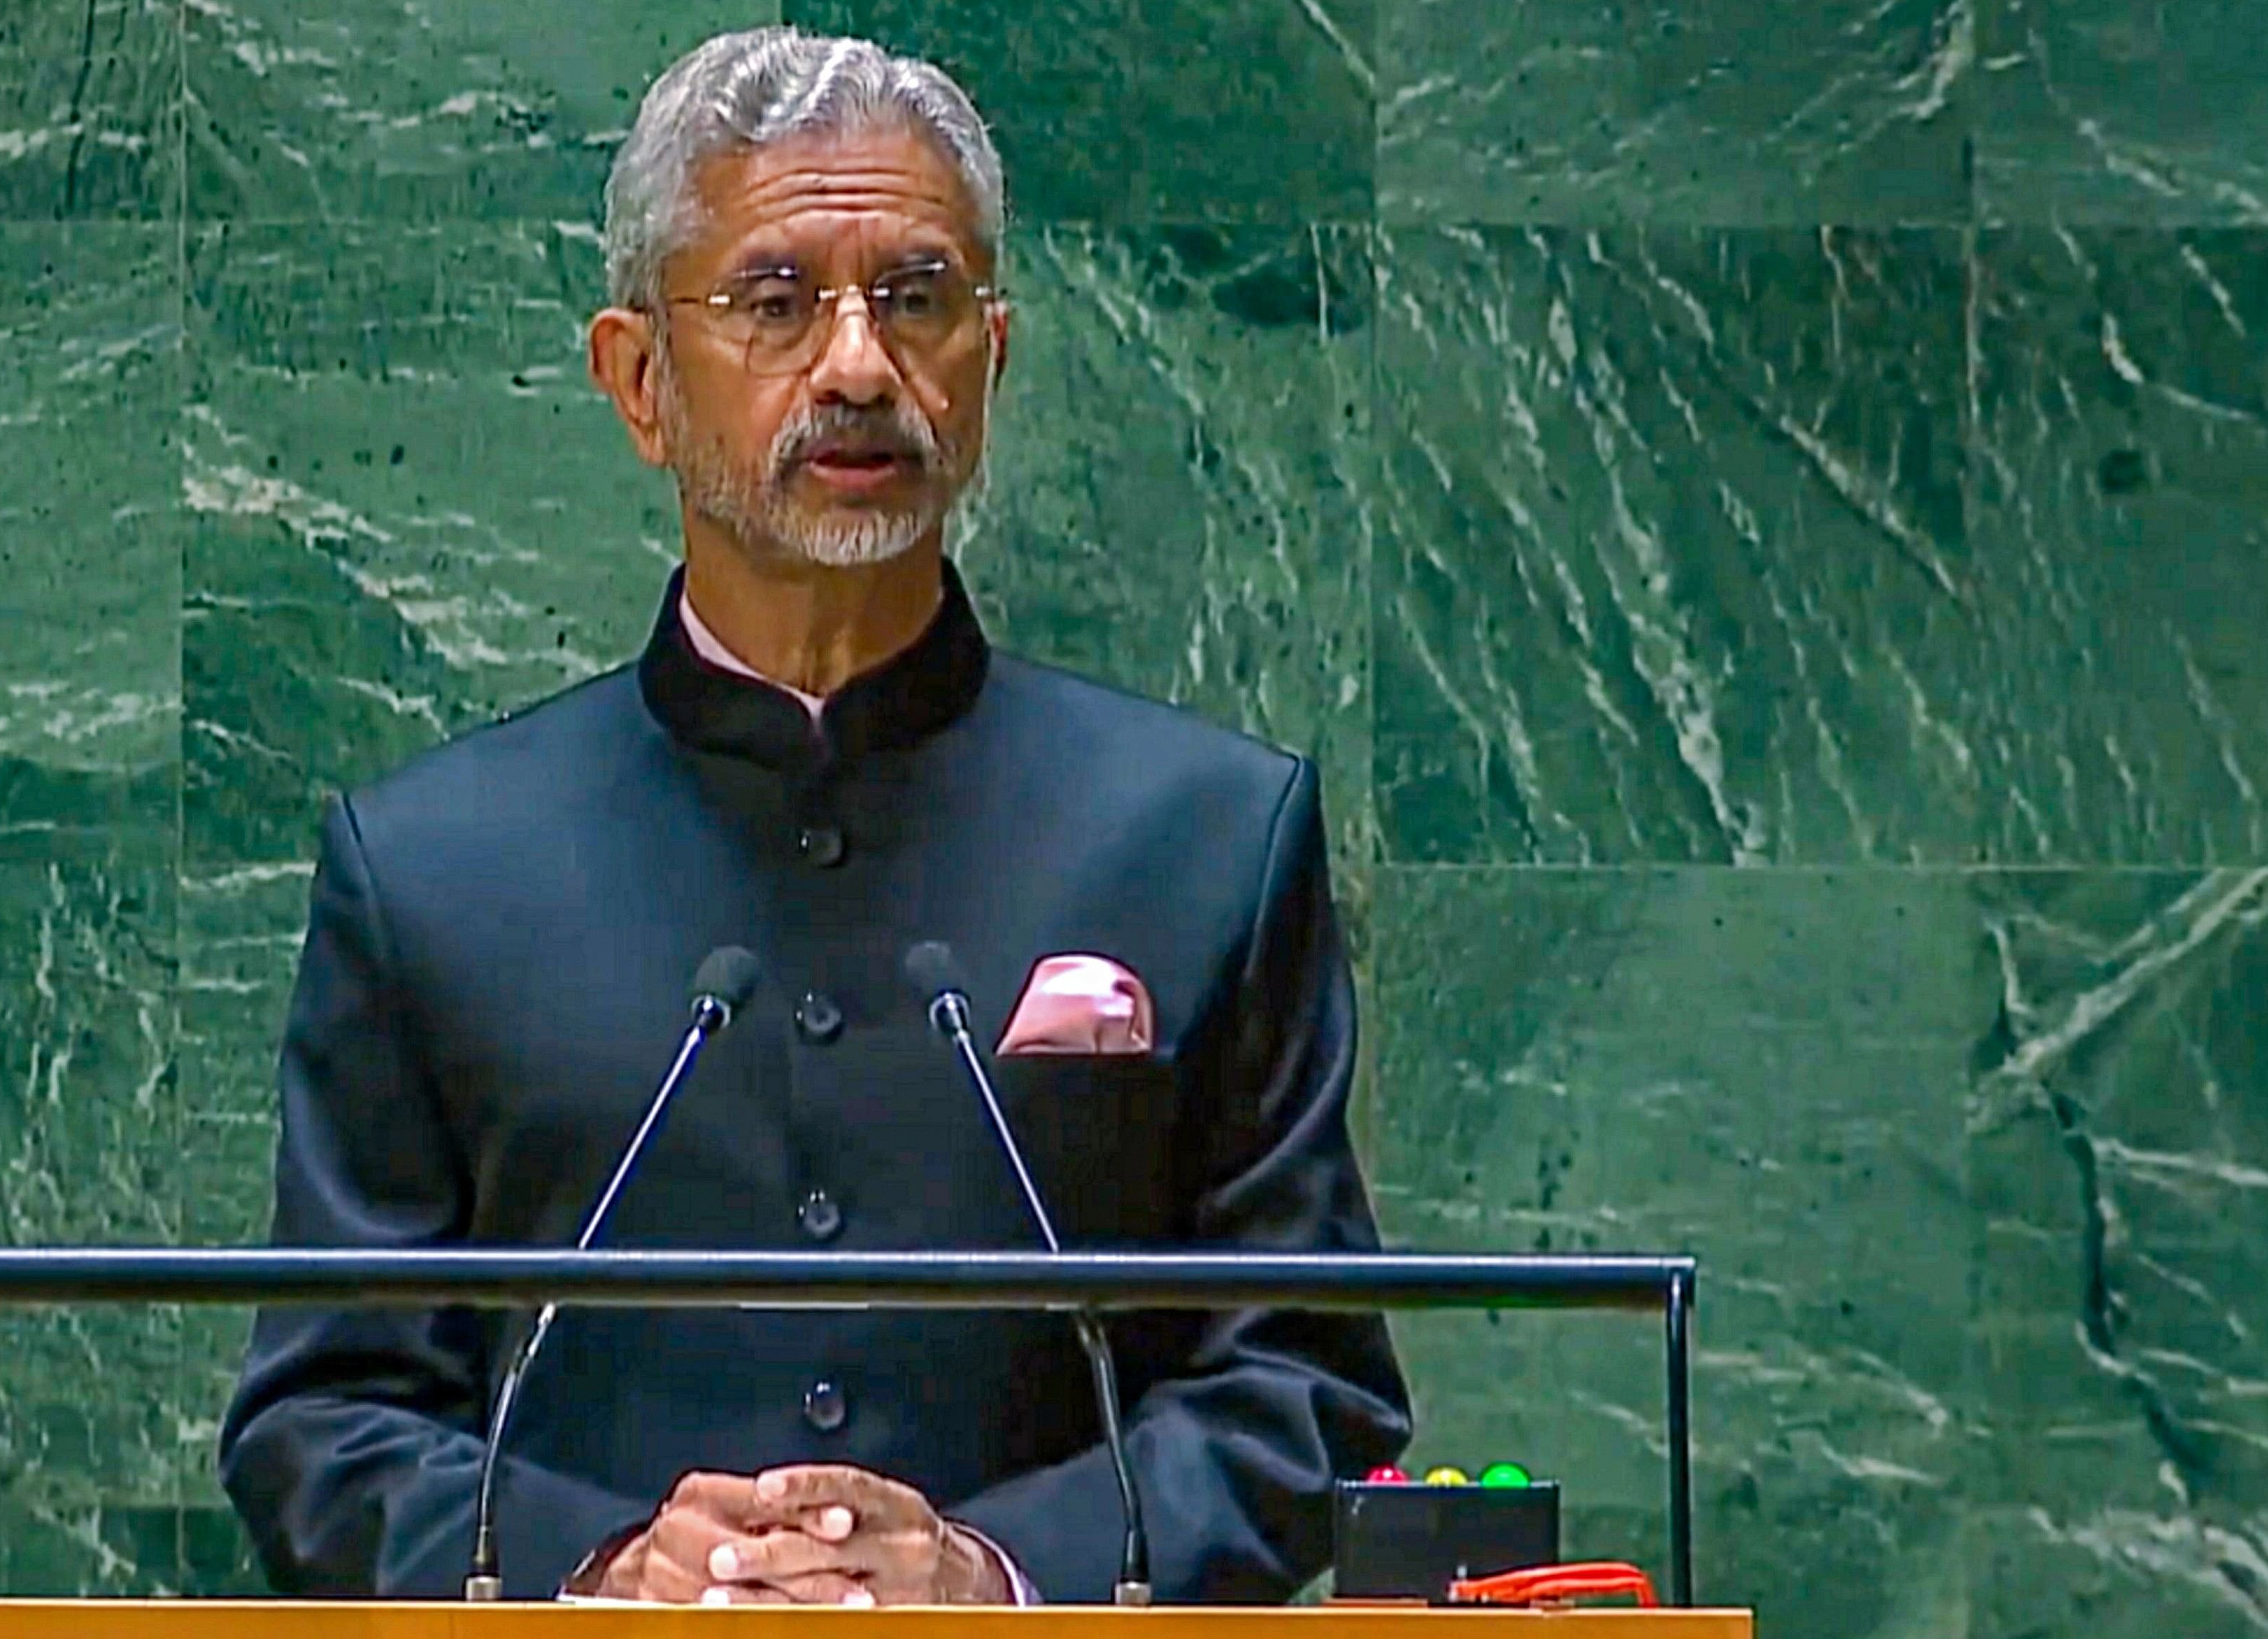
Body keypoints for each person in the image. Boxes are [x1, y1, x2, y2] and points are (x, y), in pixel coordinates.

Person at [217, 25, 1410, 1606]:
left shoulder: (1205, 835)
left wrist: (999, 1570)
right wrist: (606, 1566)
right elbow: (324, 1415)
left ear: (991, 357)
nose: (858, 366)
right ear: (638, 381)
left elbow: (1310, 1389)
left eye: (914, 299)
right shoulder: (429, 867)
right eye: (775, 303)